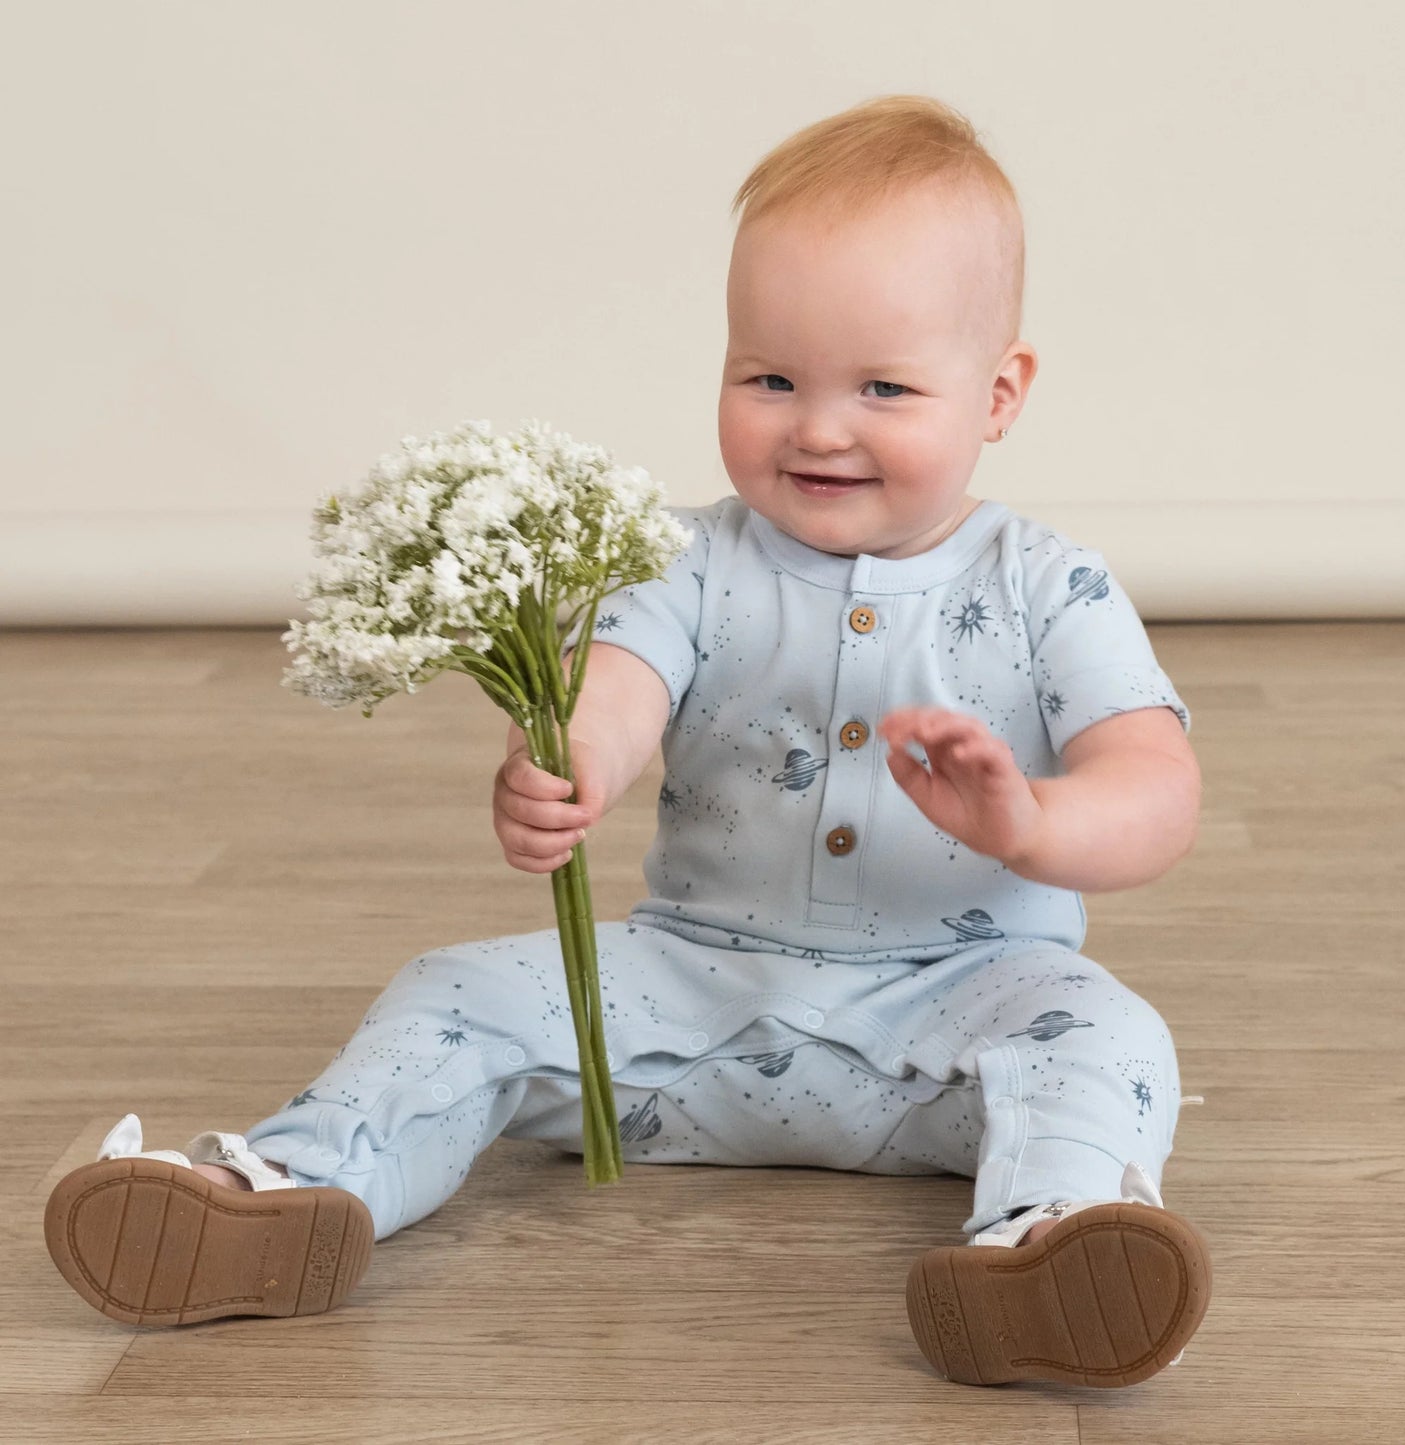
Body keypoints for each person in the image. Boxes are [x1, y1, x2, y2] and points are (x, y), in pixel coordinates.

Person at [45, 94, 1210, 1387]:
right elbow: (618, 682)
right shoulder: (679, 556)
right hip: (682, 1012)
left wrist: (1033, 824)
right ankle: (281, 1187)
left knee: (1106, 1039)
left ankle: (1045, 1248)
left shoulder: (1052, 584)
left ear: (998, 394)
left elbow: (1154, 787)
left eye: (881, 386)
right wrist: (569, 763)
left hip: (958, 1020)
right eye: (768, 377)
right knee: (454, 990)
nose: (817, 425)